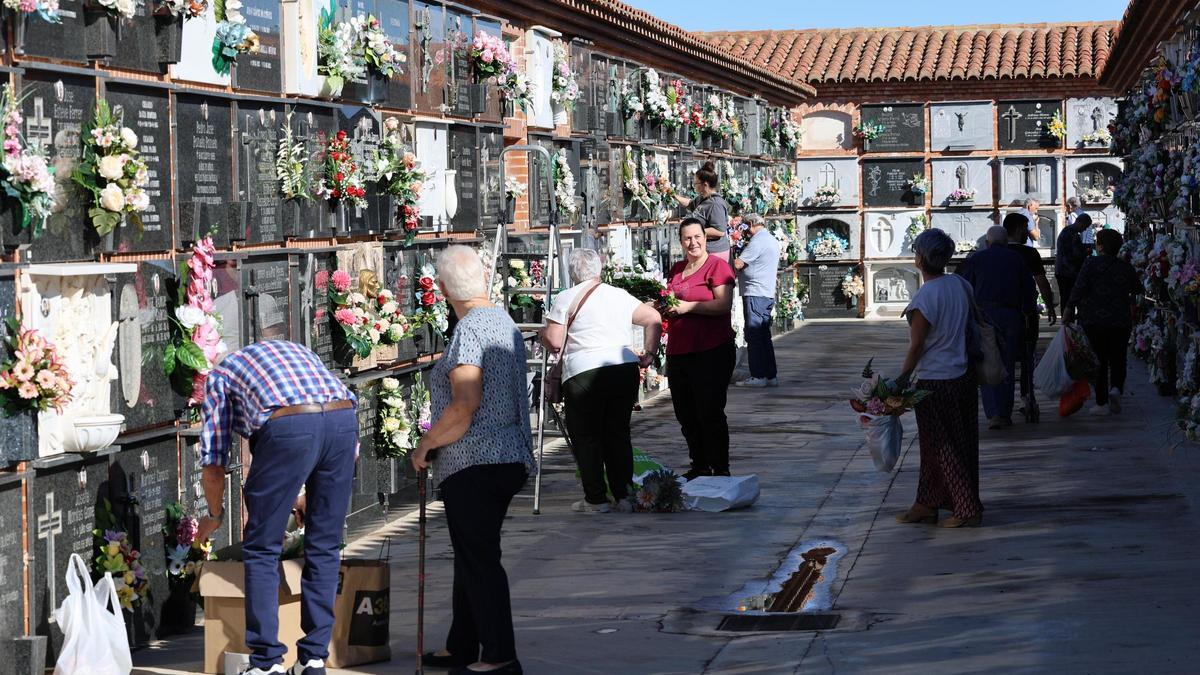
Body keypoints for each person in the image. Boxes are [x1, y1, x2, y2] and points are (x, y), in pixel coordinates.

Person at [195, 340, 358, 675]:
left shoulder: (221, 375)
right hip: (344, 421)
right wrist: (307, 491)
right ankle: (314, 658)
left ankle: (267, 662)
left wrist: (214, 516)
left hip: (289, 428)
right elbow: (322, 421)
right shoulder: (296, 350)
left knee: (262, 547)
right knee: (325, 544)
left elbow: (213, 463)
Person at [412, 245, 534, 675]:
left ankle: (500, 655)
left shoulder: (468, 330)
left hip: (475, 461)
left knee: (479, 561)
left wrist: (426, 444)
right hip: (508, 456)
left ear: (444, 290)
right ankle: (461, 644)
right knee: (471, 554)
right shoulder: (503, 320)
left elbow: (465, 402)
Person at [540, 248, 663, 513]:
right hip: (623, 369)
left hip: (584, 372)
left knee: (586, 436)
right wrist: (650, 353)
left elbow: (555, 341)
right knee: (617, 433)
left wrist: (543, 334)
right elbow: (653, 318)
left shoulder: (566, 297)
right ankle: (624, 496)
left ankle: (595, 499)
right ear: (599, 270)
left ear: (572, 272)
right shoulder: (619, 295)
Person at [898, 228, 983, 528]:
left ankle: (967, 509)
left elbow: (917, 346)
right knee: (950, 443)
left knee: (943, 447)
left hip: (936, 379)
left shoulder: (925, 296)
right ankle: (926, 503)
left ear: (920, 258)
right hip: (963, 375)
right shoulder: (959, 284)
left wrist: (900, 380)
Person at [665, 217, 736, 480]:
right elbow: (669, 300)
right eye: (687, 238)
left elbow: (723, 304)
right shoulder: (677, 269)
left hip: (711, 349)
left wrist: (688, 308)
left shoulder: (717, 266)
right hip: (679, 350)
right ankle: (700, 464)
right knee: (685, 413)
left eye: (697, 237)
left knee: (709, 410)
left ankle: (720, 467)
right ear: (681, 241)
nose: (693, 242)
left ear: (706, 239)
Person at [958, 226, 1036, 429]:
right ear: (1006, 241)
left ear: (987, 242)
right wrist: (1028, 312)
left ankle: (993, 413)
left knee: (988, 361)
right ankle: (1004, 412)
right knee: (1007, 363)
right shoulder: (1017, 259)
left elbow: (965, 287)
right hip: (1011, 315)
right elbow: (1029, 290)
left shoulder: (977, 259)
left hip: (984, 316)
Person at [1065, 229, 1141, 416]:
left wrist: (1069, 308)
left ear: (1100, 246)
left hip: (1093, 320)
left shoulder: (1090, 264)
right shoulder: (1124, 266)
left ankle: (1101, 403)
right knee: (1118, 358)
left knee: (1098, 360)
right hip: (1120, 320)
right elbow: (1138, 288)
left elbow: (1079, 288)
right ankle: (1116, 388)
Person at [1003, 213, 1056, 422]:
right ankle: (1026, 397)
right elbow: (1042, 282)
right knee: (1027, 355)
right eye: (1026, 228)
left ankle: (1003, 404)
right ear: (1018, 229)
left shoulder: (995, 252)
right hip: (1025, 311)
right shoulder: (1029, 253)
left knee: (1001, 357)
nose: (1028, 232)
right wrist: (1049, 305)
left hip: (1000, 313)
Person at [733, 213, 781, 387]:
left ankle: (758, 376)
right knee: (764, 336)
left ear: (752, 223)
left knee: (754, 335)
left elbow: (739, 263)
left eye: (746, 227)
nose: (745, 232)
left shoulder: (758, 241)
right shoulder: (770, 239)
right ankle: (770, 375)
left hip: (756, 292)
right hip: (765, 292)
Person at [673, 161, 731, 264]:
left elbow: (719, 231)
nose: (694, 186)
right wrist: (673, 195)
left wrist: (694, 231)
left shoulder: (715, 204)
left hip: (714, 252)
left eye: (696, 184)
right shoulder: (702, 198)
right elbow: (690, 204)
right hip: (702, 250)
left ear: (705, 185)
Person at [1055, 213, 1092, 315]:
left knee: (1066, 298)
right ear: (1080, 222)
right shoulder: (1072, 234)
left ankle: (1066, 320)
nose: (1085, 229)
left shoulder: (1067, 231)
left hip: (1062, 270)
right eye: (1085, 226)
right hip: (1068, 272)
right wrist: (1087, 252)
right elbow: (1076, 254)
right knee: (1069, 299)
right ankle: (1067, 321)